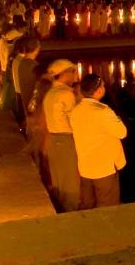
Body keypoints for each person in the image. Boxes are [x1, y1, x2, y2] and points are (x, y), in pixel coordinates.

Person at [72, 74, 127, 209]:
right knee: (107, 204)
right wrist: (118, 118)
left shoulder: (75, 111)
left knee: (87, 204)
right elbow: (122, 132)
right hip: (104, 167)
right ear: (98, 91)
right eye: (103, 86)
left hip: (85, 166)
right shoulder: (103, 111)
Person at [42, 59, 81, 211]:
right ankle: (71, 210)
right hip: (66, 140)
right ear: (64, 74)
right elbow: (75, 121)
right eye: (72, 71)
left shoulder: (50, 93)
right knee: (70, 179)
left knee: (59, 177)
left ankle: (61, 207)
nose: (75, 74)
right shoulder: (66, 94)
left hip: (54, 139)